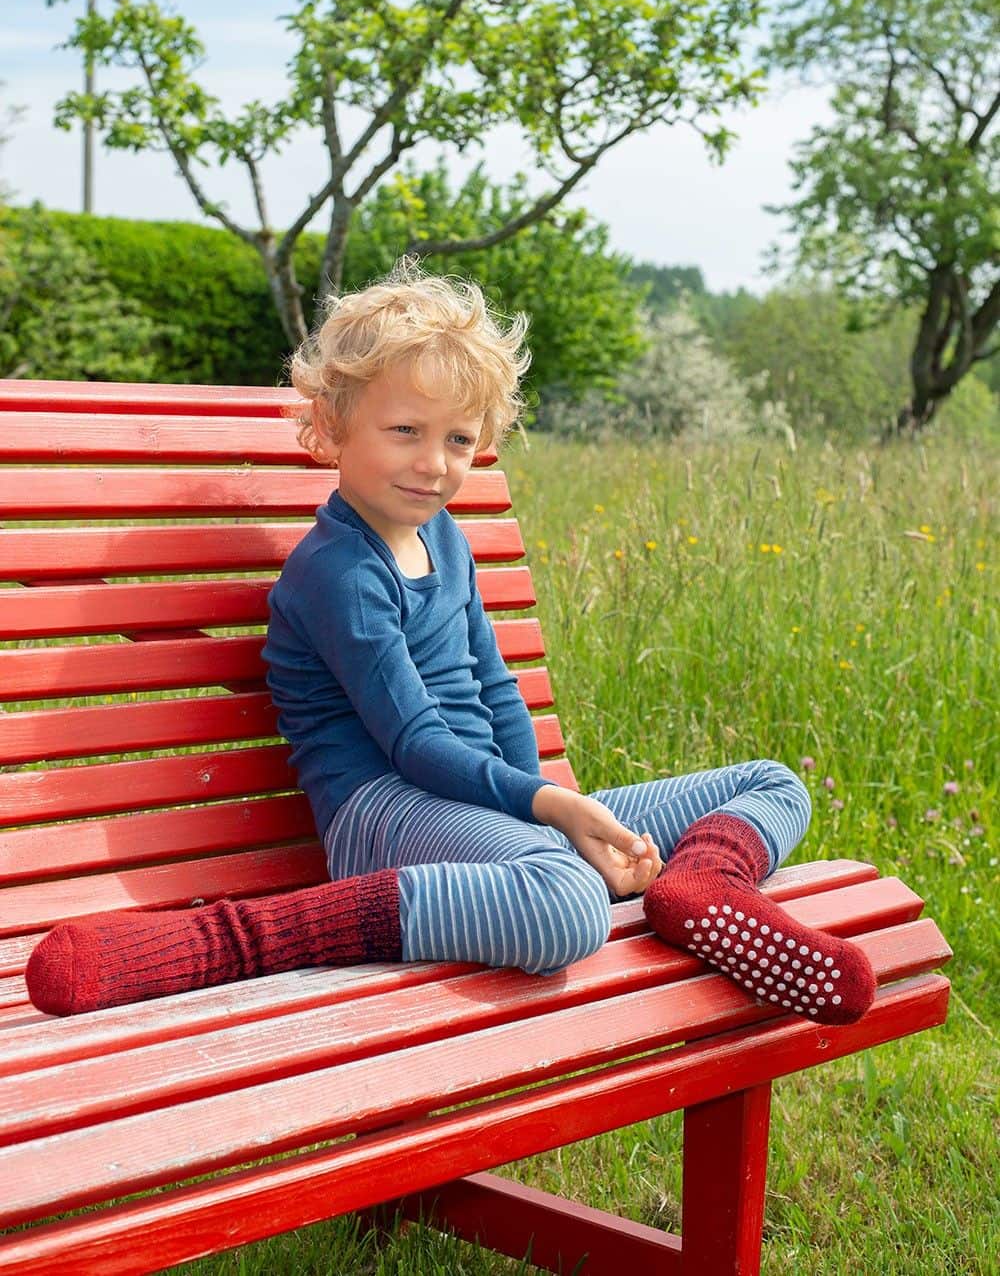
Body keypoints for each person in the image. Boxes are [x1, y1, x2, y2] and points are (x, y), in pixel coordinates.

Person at [25, 263, 876, 1023]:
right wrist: (552, 819)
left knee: (773, 783)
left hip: (477, 809)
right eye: (406, 431)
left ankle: (701, 884)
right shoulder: (338, 572)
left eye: (458, 440)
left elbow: (498, 691)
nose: (434, 463)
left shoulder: (449, 540)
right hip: (384, 812)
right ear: (330, 429)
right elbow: (416, 743)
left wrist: (546, 807)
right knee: (568, 906)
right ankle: (246, 938)